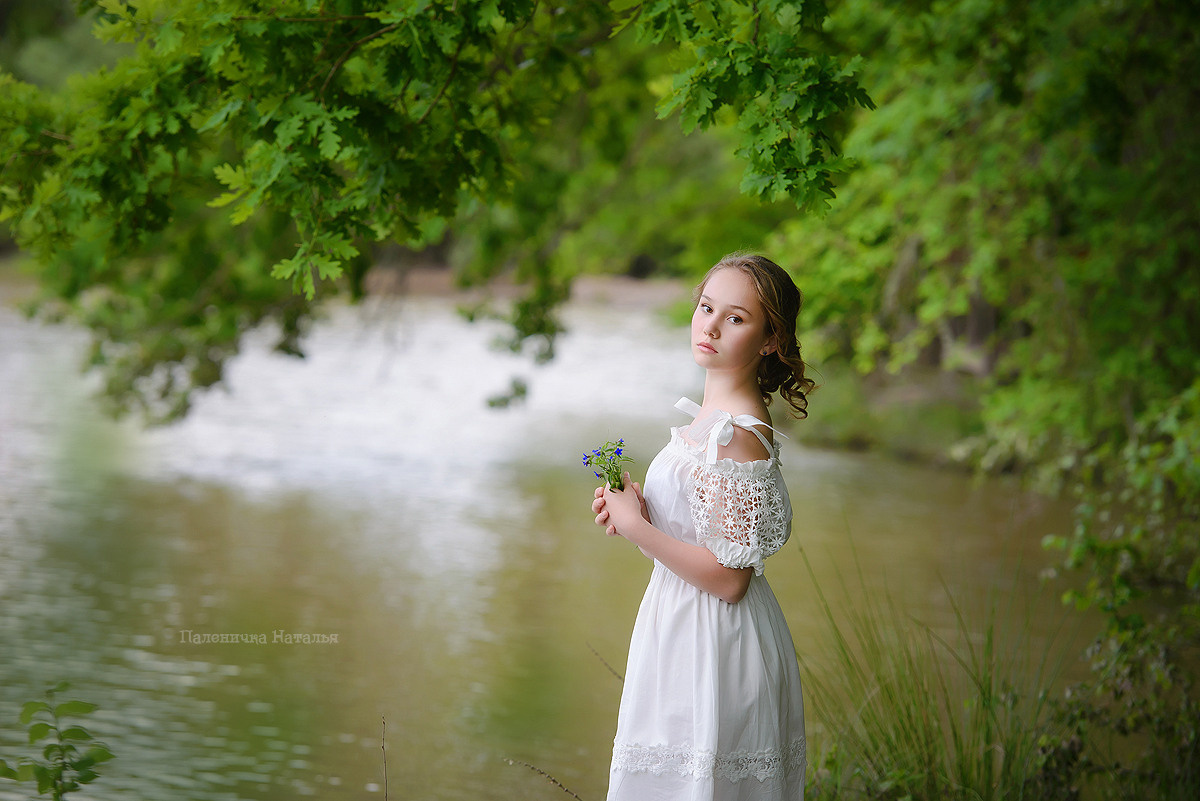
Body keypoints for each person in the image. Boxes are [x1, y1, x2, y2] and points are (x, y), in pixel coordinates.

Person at [591, 253, 815, 800]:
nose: (710, 326)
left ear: (770, 339)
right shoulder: (709, 418)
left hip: (715, 644)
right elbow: (700, 541)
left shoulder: (736, 434)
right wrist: (641, 516)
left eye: (735, 318)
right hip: (678, 627)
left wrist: (638, 529)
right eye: (707, 307)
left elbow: (730, 580)